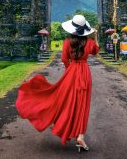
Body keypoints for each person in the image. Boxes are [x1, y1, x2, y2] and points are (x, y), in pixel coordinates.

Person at [15, 14, 99, 153]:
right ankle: (80, 136)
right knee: (82, 105)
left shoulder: (67, 42)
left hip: (71, 73)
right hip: (84, 74)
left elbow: (65, 59)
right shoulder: (89, 43)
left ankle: (57, 121)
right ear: (85, 29)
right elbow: (96, 51)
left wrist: (70, 72)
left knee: (64, 99)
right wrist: (95, 36)